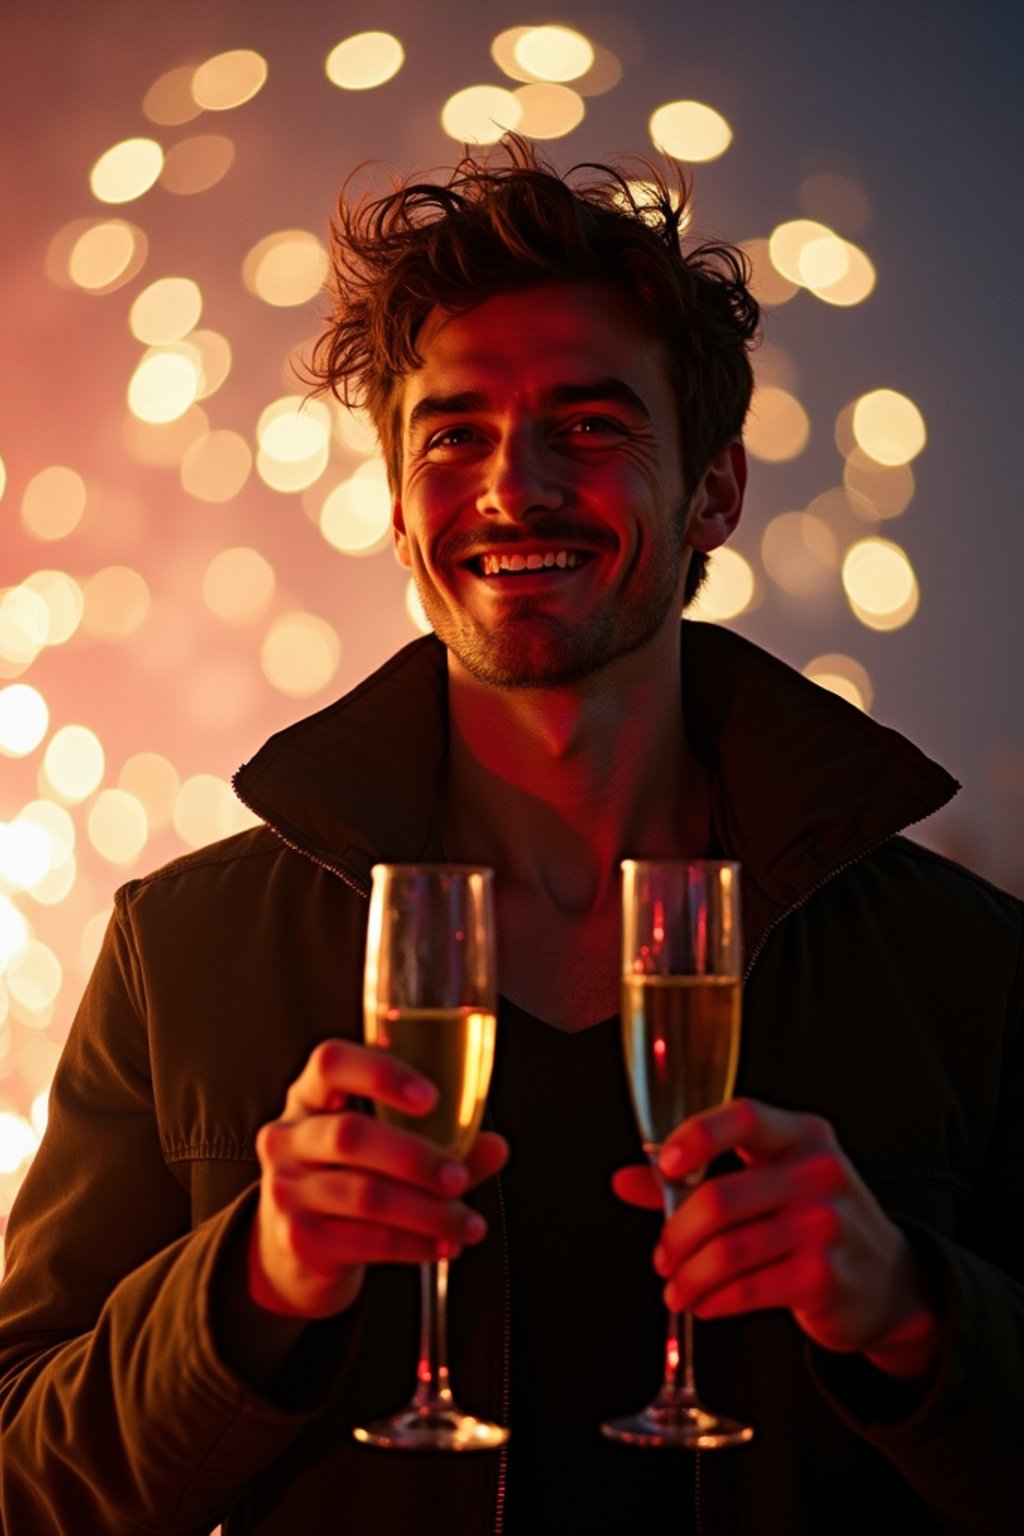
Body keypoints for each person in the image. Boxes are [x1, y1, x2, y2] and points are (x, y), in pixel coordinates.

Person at [0, 133, 1020, 1536]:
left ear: (715, 490)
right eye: (454, 434)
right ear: (400, 503)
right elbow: (19, 1479)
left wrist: (916, 1318)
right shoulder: (183, 956)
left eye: (591, 428)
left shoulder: (960, 961)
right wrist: (245, 1288)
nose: (511, 486)